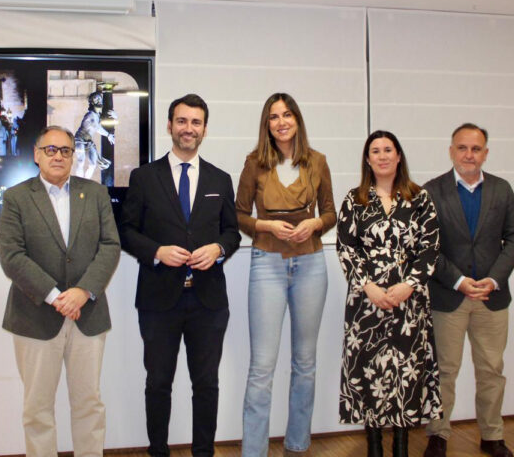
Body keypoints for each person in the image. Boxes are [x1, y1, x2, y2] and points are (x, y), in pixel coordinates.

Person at [121, 94, 242, 457]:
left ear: (204, 129)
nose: (188, 128)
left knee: (206, 384)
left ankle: (203, 452)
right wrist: (156, 252)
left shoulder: (221, 178)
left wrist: (218, 249)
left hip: (208, 301)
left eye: (196, 122)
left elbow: (232, 232)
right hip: (159, 301)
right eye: (182, 121)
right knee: (158, 383)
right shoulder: (144, 177)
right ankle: (158, 451)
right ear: (170, 125)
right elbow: (126, 230)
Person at [0, 126, 121, 457]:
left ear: (73, 155)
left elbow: (110, 246)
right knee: (37, 409)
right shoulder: (17, 197)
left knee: (88, 404)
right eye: (50, 150)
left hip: (88, 315)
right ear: (36, 155)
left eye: (65, 150)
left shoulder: (95, 194)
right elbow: (11, 256)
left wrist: (83, 291)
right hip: (35, 317)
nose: (58, 156)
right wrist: (55, 296)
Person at [236, 93, 337, 457]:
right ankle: (253, 451)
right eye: (274, 116)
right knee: (262, 366)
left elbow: (330, 214)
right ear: (267, 124)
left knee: (305, 363)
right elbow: (238, 216)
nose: (281, 121)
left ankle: (297, 444)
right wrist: (266, 225)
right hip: (267, 263)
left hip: (310, 263)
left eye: (287, 114)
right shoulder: (254, 163)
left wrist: (314, 223)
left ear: (297, 120)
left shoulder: (318, 162)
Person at [336, 130, 442, 457]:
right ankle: (373, 447)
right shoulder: (354, 199)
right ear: (367, 159)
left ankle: (400, 446)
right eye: (375, 151)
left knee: (404, 376)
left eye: (388, 150)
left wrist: (408, 285)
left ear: (398, 157)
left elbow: (431, 247)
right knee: (371, 374)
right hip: (367, 303)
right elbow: (346, 248)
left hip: (408, 302)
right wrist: (369, 286)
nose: (382, 156)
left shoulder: (419, 198)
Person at [422, 124, 514, 457]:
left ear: (486, 153)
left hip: (491, 298)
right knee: (444, 371)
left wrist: (493, 280)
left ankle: (492, 435)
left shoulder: (502, 190)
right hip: (448, 296)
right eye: (462, 148)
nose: (469, 155)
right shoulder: (431, 191)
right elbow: (427, 247)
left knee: (491, 370)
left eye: (476, 149)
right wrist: (459, 281)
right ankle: (438, 434)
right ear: (451, 151)